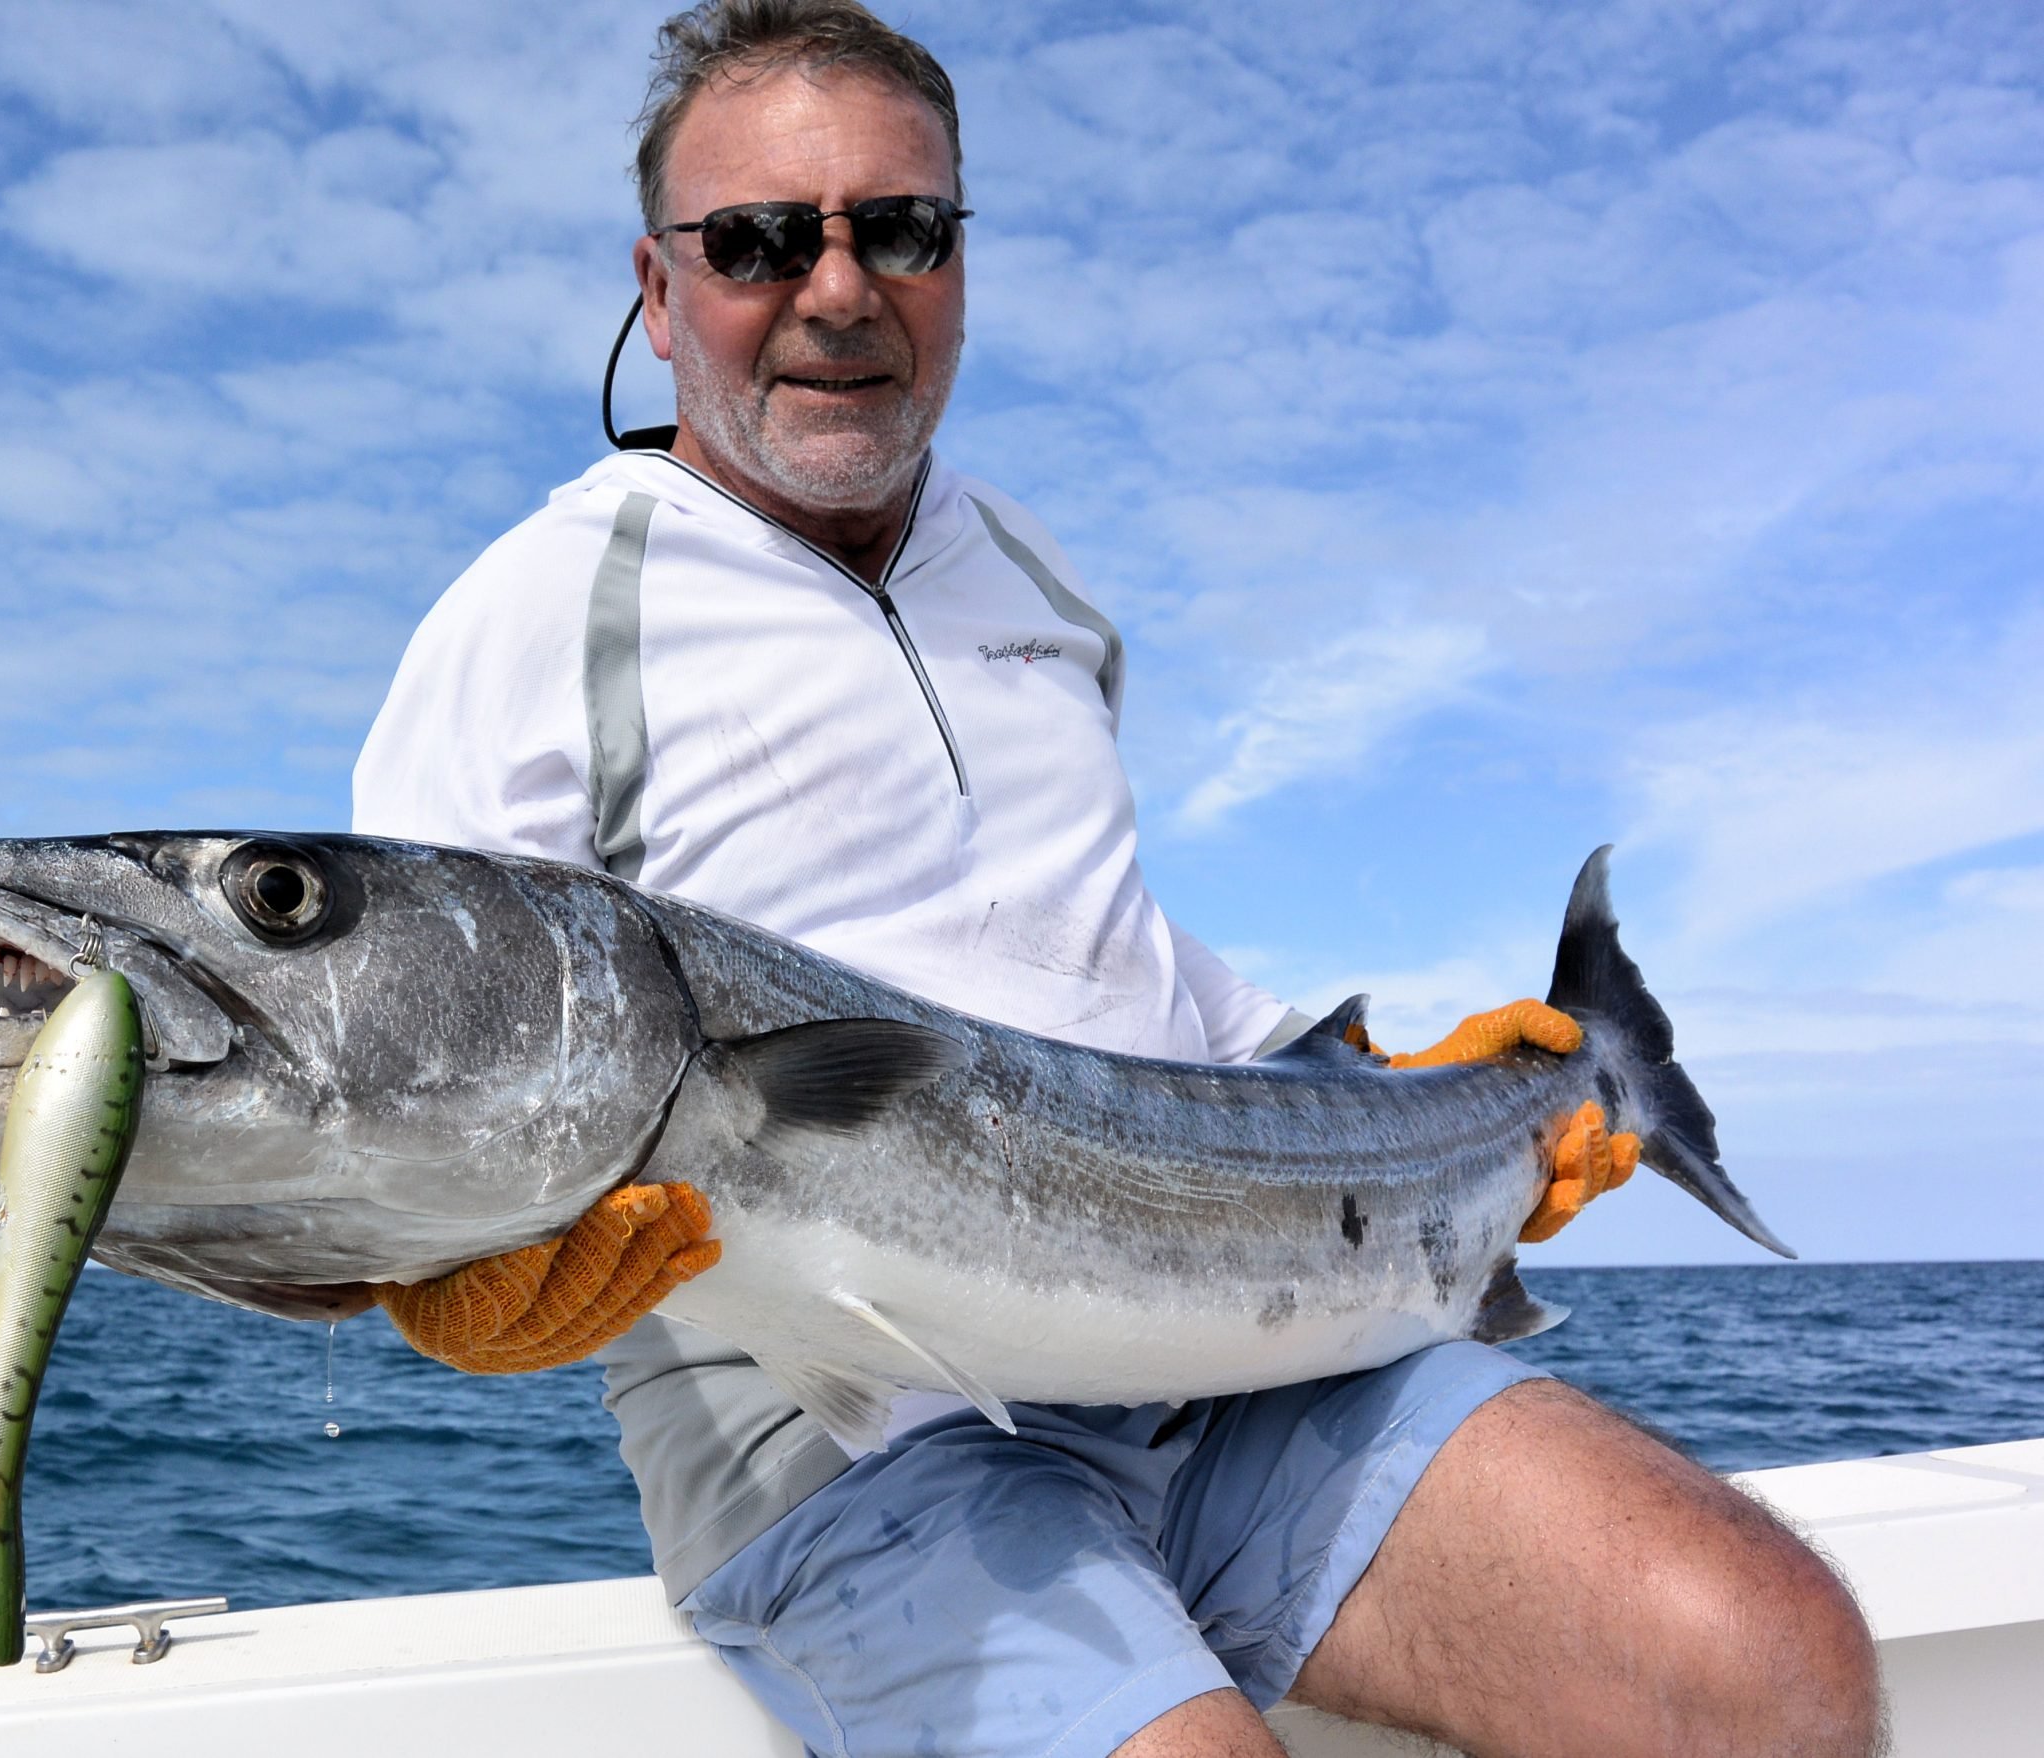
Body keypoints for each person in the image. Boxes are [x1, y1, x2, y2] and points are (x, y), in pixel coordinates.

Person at [350, 4, 1883, 1753]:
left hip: (1230, 1351)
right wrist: (433, 1260)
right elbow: (412, 1056)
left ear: (960, 262)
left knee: (1768, 1663)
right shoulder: (535, 612)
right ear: (656, 283)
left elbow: (1104, 956)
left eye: (899, 228)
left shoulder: (1032, 573)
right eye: (762, 240)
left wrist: (1425, 1093)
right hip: (843, 1431)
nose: (838, 290)